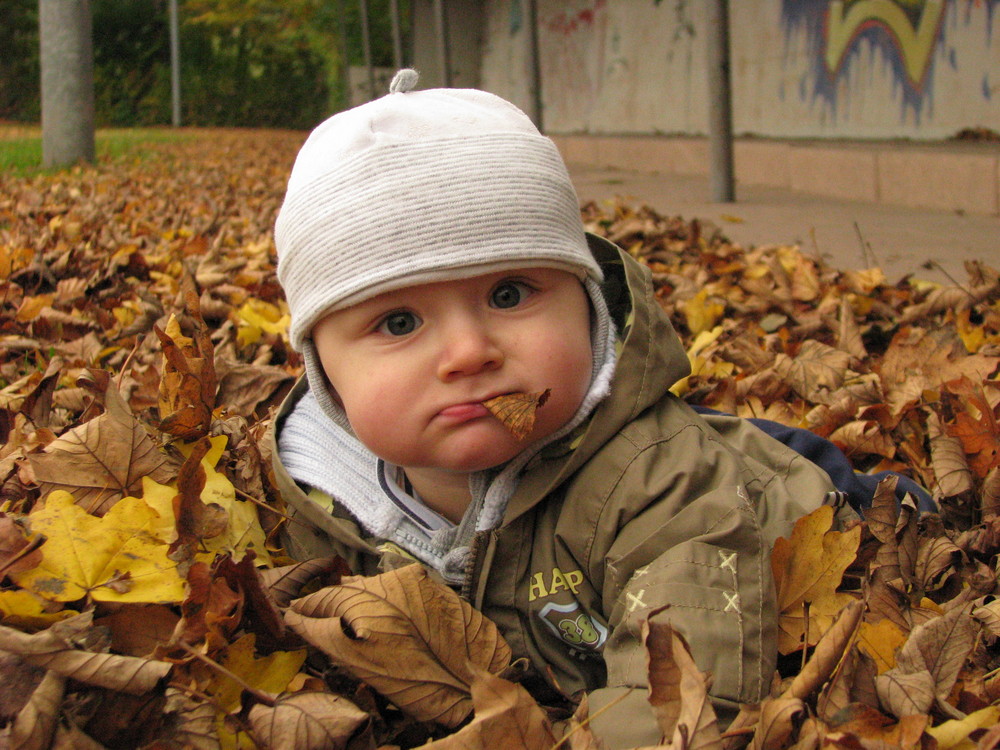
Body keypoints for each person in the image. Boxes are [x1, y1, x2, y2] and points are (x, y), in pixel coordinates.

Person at [267, 69, 913, 747]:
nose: (468, 352)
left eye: (510, 294)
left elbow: (683, 698)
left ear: (589, 306)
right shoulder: (319, 503)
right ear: (323, 371)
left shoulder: (659, 485)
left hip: (816, 509)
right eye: (399, 323)